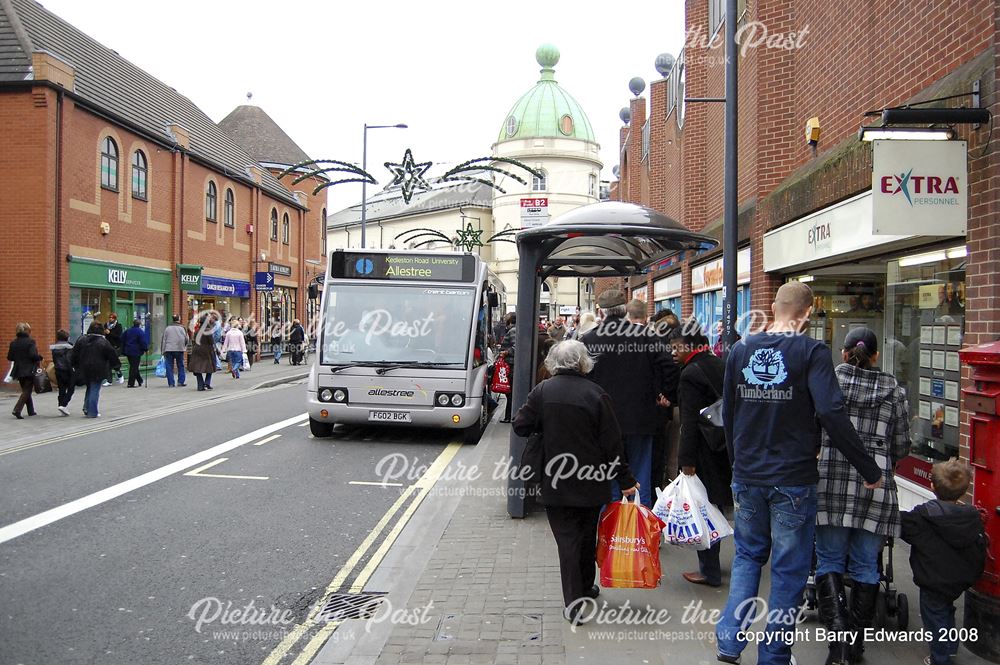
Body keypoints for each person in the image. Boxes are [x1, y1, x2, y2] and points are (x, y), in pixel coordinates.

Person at [716, 281, 882, 665]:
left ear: (775, 307)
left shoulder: (741, 350)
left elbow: (729, 412)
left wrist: (739, 461)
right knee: (789, 570)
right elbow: (830, 412)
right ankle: (773, 655)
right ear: (808, 313)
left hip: (749, 474)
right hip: (793, 477)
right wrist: (867, 467)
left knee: (747, 557)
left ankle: (729, 642)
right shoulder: (812, 352)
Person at [512, 340, 639, 624]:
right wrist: (626, 480)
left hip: (556, 480)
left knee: (567, 541)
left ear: (553, 363)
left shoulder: (542, 391)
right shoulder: (597, 394)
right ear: (584, 362)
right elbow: (613, 443)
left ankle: (574, 603)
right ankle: (586, 586)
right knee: (585, 536)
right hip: (592, 481)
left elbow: (520, 425)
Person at [814, 327, 911, 664]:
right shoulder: (894, 391)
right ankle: (855, 646)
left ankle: (837, 645)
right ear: (875, 356)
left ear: (844, 353)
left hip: (831, 482)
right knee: (867, 566)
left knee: (828, 562)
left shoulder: (828, 382)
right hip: (876, 487)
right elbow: (901, 444)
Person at [581, 288, 677, 508]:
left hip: (603, 419)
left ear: (602, 312)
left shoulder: (589, 339)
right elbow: (669, 366)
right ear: (624, 310)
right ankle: (641, 530)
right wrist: (666, 394)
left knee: (609, 474)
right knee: (641, 474)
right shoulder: (645, 336)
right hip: (640, 418)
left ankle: (612, 530)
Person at [902, 459, 986, 665]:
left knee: (934, 618)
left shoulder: (923, 517)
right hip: (959, 579)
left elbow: (900, 526)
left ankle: (940, 658)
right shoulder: (972, 517)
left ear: (931, 486)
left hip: (933, 579)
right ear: (965, 491)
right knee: (947, 609)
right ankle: (950, 647)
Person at [669, 319, 731, 588]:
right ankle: (715, 564)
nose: (672, 351)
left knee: (702, 508)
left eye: (675, 346)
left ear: (690, 345)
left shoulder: (690, 373)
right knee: (716, 503)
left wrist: (686, 460)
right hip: (723, 444)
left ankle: (709, 570)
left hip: (704, 449)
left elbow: (689, 422)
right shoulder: (719, 363)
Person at [650, 309, 681, 488]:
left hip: (668, 407)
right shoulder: (677, 349)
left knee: (669, 454)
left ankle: (669, 489)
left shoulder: (663, 348)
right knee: (672, 454)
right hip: (673, 405)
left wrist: (665, 395)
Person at [71, 321, 121, 418]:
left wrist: (74, 365)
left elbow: (74, 354)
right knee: (94, 389)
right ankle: (92, 412)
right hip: (98, 368)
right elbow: (112, 355)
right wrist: (116, 366)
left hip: (84, 368)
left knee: (89, 387)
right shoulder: (103, 342)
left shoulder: (82, 339)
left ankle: (87, 407)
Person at [7, 322, 42, 419]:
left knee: (26, 390)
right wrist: (39, 357)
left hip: (18, 370)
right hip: (29, 369)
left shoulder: (13, 343)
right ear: (27, 331)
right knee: (27, 390)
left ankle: (31, 411)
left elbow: (10, 357)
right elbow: (33, 355)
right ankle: (17, 409)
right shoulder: (30, 342)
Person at [188, 314, 218, 391]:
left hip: (197, 350)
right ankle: (207, 382)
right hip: (207, 351)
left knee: (197, 369)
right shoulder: (208, 331)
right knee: (210, 367)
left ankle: (200, 386)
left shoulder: (197, 331)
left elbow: (194, 340)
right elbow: (211, 342)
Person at [50, 329, 75, 416]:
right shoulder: (68, 348)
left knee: (62, 389)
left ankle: (61, 407)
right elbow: (69, 360)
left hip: (58, 370)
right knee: (71, 389)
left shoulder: (54, 348)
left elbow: (54, 360)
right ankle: (63, 405)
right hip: (67, 370)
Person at [161, 314, 189, 388]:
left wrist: (163, 351)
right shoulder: (182, 328)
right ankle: (180, 381)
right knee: (181, 365)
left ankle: (171, 383)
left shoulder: (167, 328)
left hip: (169, 349)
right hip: (179, 349)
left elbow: (164, 340)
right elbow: (187, 339)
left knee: (169, 366)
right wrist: (184, 346)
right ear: (179, 319)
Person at [498, 313, 517, 423]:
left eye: (506, 318)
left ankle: (509, 416)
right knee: (509, 393)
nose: (504, 319)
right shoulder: (512, 330)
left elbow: (516, 346)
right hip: (510, 365)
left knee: (509, 393)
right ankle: (508, 416)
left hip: (511, 365)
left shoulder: (513, 330)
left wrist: (506, 352)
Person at [120, 319, 149, 388]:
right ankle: (130, 383)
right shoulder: (140, 332)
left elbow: (121, 338)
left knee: (134, 366)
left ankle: (139, 380)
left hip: (128, 351)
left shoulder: (128, 331)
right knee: (134, 367)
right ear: (139, 324)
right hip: (136, 352)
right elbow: (143, 342)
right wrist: (146, 349)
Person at [102, 313, 125, 385]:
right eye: (109, 317)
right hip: (108, 346)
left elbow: (118, 336)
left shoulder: (118, 326)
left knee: (111, 362)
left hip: (116, 347)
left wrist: (109, 333)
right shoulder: (106, 325)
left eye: (112, 318)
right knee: (109, 362)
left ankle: (112, 379)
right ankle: (116, 376)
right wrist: (105, 333)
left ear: (115, 319)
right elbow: (105, 335)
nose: (110, 319)